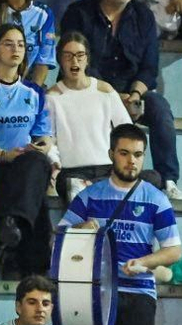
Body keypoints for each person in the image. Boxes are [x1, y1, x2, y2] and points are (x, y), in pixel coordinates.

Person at [60, 0, 182, 198]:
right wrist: (114, 98)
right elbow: (77, 63)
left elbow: (149, 66)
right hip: (89, 90)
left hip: (131, 91)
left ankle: (168, 181)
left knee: (160, 109)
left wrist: (136, 95)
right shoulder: (79, 13)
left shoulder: (143, 16)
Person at [58, 124, 182, 325]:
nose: (131, 161)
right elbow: (58, 241)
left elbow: (173, 250)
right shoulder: (89, 195)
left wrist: (144, 263)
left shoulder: (157, 199)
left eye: (137, 155)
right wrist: (81, 229)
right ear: (111, 155)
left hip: (139, 290)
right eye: (124, 153)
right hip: (94, 290)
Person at [0, 25, 55, 275]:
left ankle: (11, 223)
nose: (15, 49)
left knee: (38, 162)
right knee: (38, 201)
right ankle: (23, 258)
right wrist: (3, 154)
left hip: (24, 164)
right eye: (8, 43)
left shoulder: (34, 91)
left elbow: (45, 136)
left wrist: (39, 147)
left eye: (20, 44)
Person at [47, 31, 131, 201]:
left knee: (153, 179)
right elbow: (49, 139)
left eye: (80, 55)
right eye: (68, 56)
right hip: (72, 172)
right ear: (60, 60)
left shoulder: (105, 90)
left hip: (108, 169)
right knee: (72, 186)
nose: (74, 61)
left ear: (87, 59)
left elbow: (126, 131)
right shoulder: (52, 97)